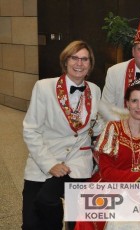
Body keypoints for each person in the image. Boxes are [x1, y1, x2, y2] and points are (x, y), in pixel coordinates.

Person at [22, 40, 103, 230]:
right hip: (43, 161)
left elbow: (97, 125)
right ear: (65, 61)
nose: (79, 63)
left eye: (85, 59)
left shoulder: (95, 90)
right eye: (74, 58)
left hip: (78, 162)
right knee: (32, 223)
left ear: (90, 65)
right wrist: (50, 164)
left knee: (77, 223)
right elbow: (30, 129)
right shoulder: (43, 87)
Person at [74, 80, 140, 230]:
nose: (139, 106)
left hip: (138, 189)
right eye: (134, 101)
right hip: (107, 186)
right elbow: (106, 171)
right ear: (127, 103)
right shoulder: (114, 128)